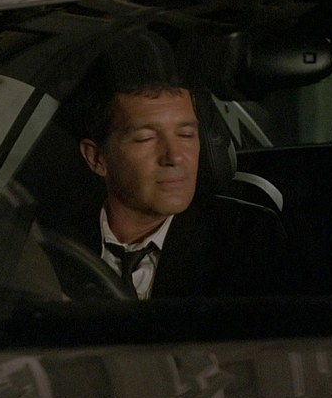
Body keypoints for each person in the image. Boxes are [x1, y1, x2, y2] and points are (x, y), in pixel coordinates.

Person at [67, 78, 285, 299]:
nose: (174, 156)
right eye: (145, 138)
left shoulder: (245, 237)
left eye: (186, 135)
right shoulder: (57, 240)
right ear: (96, 158)